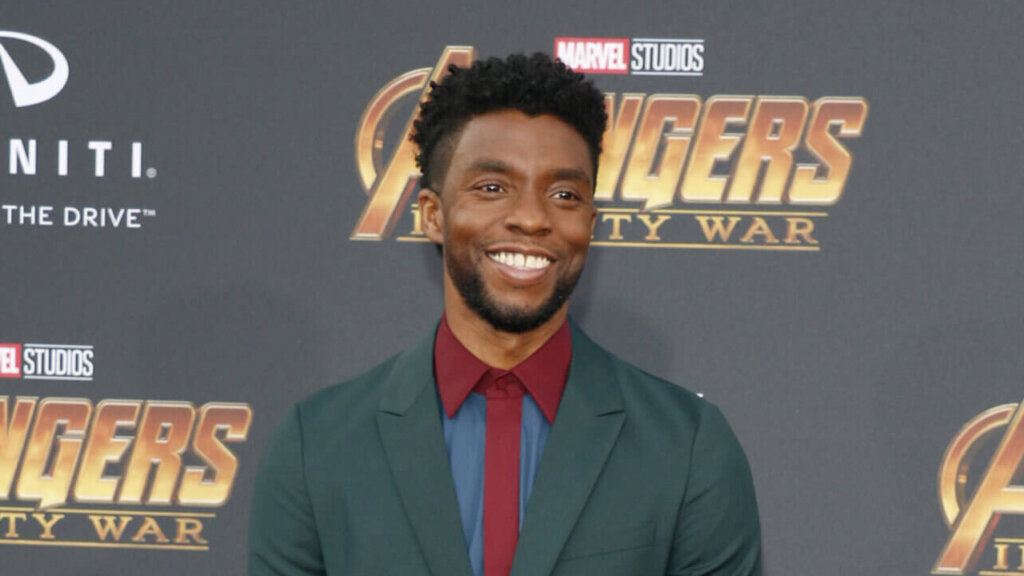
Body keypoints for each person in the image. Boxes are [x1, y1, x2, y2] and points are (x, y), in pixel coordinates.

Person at [249, 53, 761, 576]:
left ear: (590, 221)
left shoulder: (687, 447)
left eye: (564, 194)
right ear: (432, 215)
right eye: (492, 188)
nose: (532, 218)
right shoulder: (318, 447)